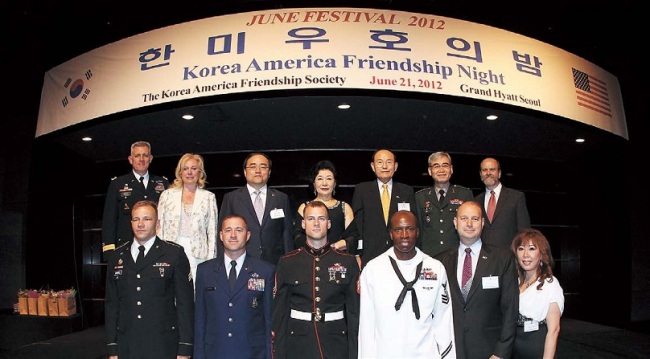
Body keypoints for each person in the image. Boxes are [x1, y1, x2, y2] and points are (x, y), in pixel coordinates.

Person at [359, 210, 456, 359]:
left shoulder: (435, 268)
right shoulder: (373, 269)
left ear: (417, 232)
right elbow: (367, 324)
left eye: (410, 229)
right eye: (398, 230)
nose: (404, 235)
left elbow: (443, 320)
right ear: (391, 234)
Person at [105, 200, 194, 359]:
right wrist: (112, 346)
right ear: (131, 222)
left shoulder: (174, 254)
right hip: (128, 343)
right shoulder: (117, 256)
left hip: (162, 342)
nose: (140, 224)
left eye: (147, 219)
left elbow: (184, 303)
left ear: (157, 223)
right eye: (136, 219)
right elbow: (112, 304)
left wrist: (185, 347)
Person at [272, 201, 360, 359]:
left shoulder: (348, 262)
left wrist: (355, 353)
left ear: (329, 223)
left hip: (336, 343)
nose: (317, 223)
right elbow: (280, 314)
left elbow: (354, 313)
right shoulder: (288, 262)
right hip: (298, 344)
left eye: (321, 218)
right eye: (311, 219)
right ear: (303, 224)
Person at [435, 200, 519, 359]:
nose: (469, 224)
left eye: (474, 219)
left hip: (489, 351)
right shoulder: (440, 262)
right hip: (450, 351)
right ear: (455, 222)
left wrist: (501, 352)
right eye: (464, 218)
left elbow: (510, 310)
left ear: (482, 223)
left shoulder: (503, 259)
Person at [194, 214, 275, 359]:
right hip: (215, 352)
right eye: (228, 230)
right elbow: (200, 319)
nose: (233, 235)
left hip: (252, 352)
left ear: (248, 235)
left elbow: (269, 320)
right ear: (220, 235)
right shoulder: (205, 271)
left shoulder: (265, 271)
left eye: (239, 230)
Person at [219, 152, 293, 266]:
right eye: (253, 166)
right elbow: (223, 232)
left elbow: (286, 233)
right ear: (245, 172)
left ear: (269, 172)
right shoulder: (231, 198)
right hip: (241, 261)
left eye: (263, 167)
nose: (258, 170)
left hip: (274, 262)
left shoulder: (281, 198)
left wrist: (289, 262)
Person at [102, 140, 169, 259]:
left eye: (145, 155)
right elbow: (109, 219)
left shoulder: (163, 183)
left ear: (151, 158)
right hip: (127, 246)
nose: (141, 159)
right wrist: (109, 248)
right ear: (130, 159)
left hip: (157, 247)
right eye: (137, 155)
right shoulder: (118, 184)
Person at [157, 153, 218, 283]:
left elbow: (212, 231)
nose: (189, 172)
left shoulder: (208, 197)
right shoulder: (166, 195)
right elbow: (159, 228)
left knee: (196, 292)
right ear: (180, 172)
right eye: (185, 168)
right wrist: (159, 254)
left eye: (193, 168)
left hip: (198, 255)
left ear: (200, 172)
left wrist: (211, 261)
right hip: (171, 251)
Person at [352, 149, 416, 268]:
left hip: (400, 253)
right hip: (370, 254)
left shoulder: (406, 191)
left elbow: (412, 224)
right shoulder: (362, 190)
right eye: (380, 162)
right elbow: (357, 225)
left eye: (389, 162)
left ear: (395, 166)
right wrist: (357, 254)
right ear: (373, 166)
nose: (385, 166)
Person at [511, 228, 564, 359]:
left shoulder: (550, 284)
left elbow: (554, 330)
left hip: (537, 348)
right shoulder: (513, 282)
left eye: (532, 249)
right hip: (513, 349)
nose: (526, 255)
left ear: (541, 254)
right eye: (521, 248)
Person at [415, 151, 474, 257]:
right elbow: (418, 231)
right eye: (436, 166)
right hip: (429, 256)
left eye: (445, 165)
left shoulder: (464, 194)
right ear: (430, 171)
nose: (441, 170)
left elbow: (470, 227)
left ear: (451, 169)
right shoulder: (420, 197)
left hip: (456, 256)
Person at [294, 160, 356, 252]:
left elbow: (353, 237)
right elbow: (297, 237)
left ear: (334, 183)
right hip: (310, 258)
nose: (324, 183)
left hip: (338, 258)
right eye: (320, 179)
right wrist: (317, 248)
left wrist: (334, 247)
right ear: (314, 184)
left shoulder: (345, 207)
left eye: (329, 178)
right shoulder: (304, 207)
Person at [475, 157, 531, 248]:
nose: (488, 173)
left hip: (509, 256)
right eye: (485, 170)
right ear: (481, 174)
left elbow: (524, 231)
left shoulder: (516, 197)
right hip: (483, 257)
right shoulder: (476, 201)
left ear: (499, 173)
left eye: (492, 169)